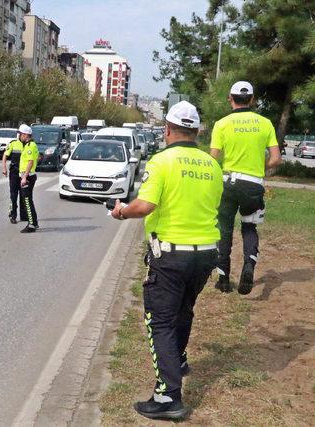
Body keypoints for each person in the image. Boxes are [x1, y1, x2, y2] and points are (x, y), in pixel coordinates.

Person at [110, 101, 223, 420]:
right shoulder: (212, 165)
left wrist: (121, 211)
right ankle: (178, 360)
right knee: (184, 311)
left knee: (159, 321)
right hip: (205, 254)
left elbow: (144, 205)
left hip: (171, 254)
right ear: (197, 132)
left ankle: (168, 396)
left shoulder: (163, 161)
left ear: (168, 129)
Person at [210, 81, 282, 294]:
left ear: (230, 98)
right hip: (253, 185)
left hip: (228, 182)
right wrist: (259, 168)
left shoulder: (222, 124)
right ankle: (248, 267)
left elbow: (213, 160)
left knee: (224, 229)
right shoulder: (265, 123)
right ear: (252, 100)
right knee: (249, 227)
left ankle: (223, 279)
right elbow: (276, 159)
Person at [18, 124, 39, 233]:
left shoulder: (30, 146)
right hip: (28, 176)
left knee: (27, 201)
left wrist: (24, 177)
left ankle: (31, 225)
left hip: (28, 176)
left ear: (25, 135)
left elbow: (30, 161)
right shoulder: (29, 145)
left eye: (20, 134)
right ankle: (34, 222)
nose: (19, 136)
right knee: (28, 200)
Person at [1, 131, 25, 224]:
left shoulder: (29, 145)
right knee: (13, 195)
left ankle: (24, 215)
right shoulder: (13, 144)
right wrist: (4, 168)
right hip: (14, 172)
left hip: (24, 173)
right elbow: (5, 155)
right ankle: (13, 215)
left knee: (24, 195)